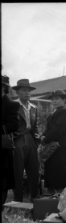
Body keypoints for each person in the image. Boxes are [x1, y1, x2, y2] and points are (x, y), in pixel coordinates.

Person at [12, 79, 40, 202]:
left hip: (31, 140)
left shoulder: (34, 108)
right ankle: (18, 201)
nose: (27, 93)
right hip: (18, 140)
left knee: (34, 171)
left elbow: (35, 127)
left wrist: (37, 140)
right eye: (24, 90)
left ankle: (35, 200)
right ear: (17, 93)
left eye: (28, 90)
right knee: (18, 171)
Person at [41, 90, 66, 193]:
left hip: (60, 148)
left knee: (58, 174)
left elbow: (57, 130)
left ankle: (59, 198)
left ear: (64, 100)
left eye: (57, 99)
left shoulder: (64, 112)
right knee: (50, 172)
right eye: (53, 99)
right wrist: (43, 135)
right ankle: (51, 197)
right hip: (51, 148)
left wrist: (45, 138)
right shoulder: (53, 113)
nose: (54, 101)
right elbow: (48, 129)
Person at [1, 75, 20, 209]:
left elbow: (14, 125)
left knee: (2, 179)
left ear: (3, 88)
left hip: (2, 148)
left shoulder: (11, 104)